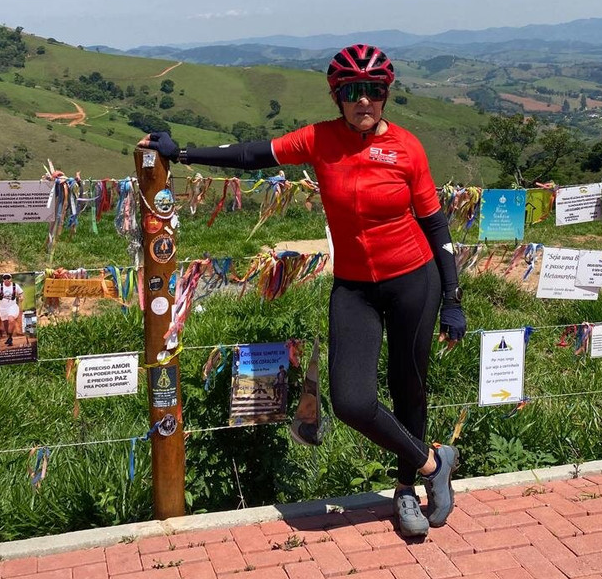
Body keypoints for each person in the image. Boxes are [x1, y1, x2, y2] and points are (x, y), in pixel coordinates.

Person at [139, 44, 467, 537]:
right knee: (352, 402)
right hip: (354, 288)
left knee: (408, 388)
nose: (364, 102)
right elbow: (252, 155)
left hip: (412, 281)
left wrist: (453, 298)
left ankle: (405, 493)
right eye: (353, 92)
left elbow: (436, 226)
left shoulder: (407, 148)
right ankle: (432, 462)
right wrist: (179, 152)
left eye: (373, 92)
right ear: (338, 97)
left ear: (385, 96)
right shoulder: (319, 140)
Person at [0, 273, 23, 347]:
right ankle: (9, 338)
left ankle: (9, 338)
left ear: (11, 278)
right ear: (3, 279)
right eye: (4, 278)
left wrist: (21, 297)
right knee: (5, 323)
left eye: (8, 278)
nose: (6, 279)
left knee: (11, 319)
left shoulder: (15, 286)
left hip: (12, 306)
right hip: (2, 308)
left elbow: (21, 293)